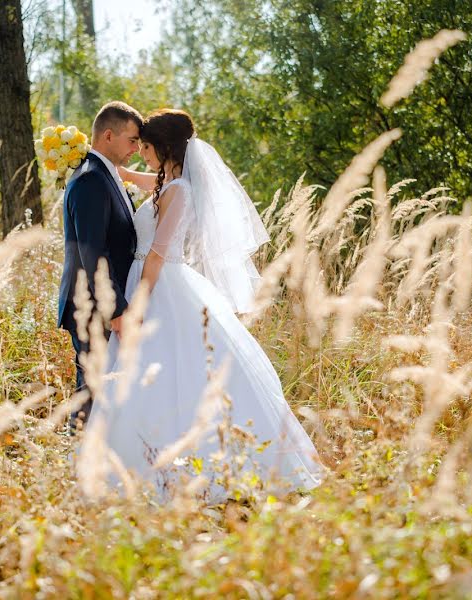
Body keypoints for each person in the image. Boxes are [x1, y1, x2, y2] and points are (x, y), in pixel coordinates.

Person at [83, 108, 323, 502]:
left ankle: (184, 471)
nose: (141, 154)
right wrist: (108, 167)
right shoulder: (169, 183)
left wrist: (139, 303)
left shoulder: (181, 191)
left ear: (163, 147)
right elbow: (141, 182)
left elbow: (158, 254)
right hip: (152, 281)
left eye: (145, 148)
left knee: (175, 373)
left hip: (159, 286)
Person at [57, 101, 143, 433]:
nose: (136, 148)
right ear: (109, 135)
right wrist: (116, 310)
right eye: (132, 140)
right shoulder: (91, 179)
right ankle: (73, 463)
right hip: (91, 306)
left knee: (99, 389)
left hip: (101, 303)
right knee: (91, 390)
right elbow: (93, 254)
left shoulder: (105, 175)